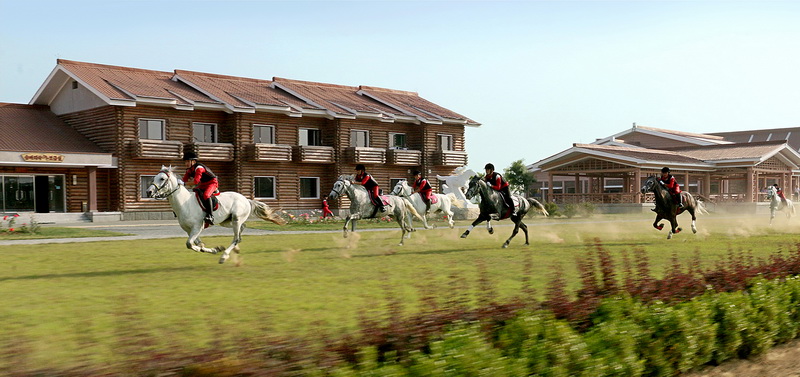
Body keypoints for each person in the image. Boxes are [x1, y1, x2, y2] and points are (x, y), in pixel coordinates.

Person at [182, 151, 219, 224]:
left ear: (194, 161)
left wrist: (184, 183)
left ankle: (210, 215)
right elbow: (184, 180)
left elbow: (196, 182)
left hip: (212, 183)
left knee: (206, 195)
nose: (186, 163)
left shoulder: (199, 168)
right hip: (204, 184)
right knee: (194, 191)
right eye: (185, 161)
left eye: (188, 161)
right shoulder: (189, 170)